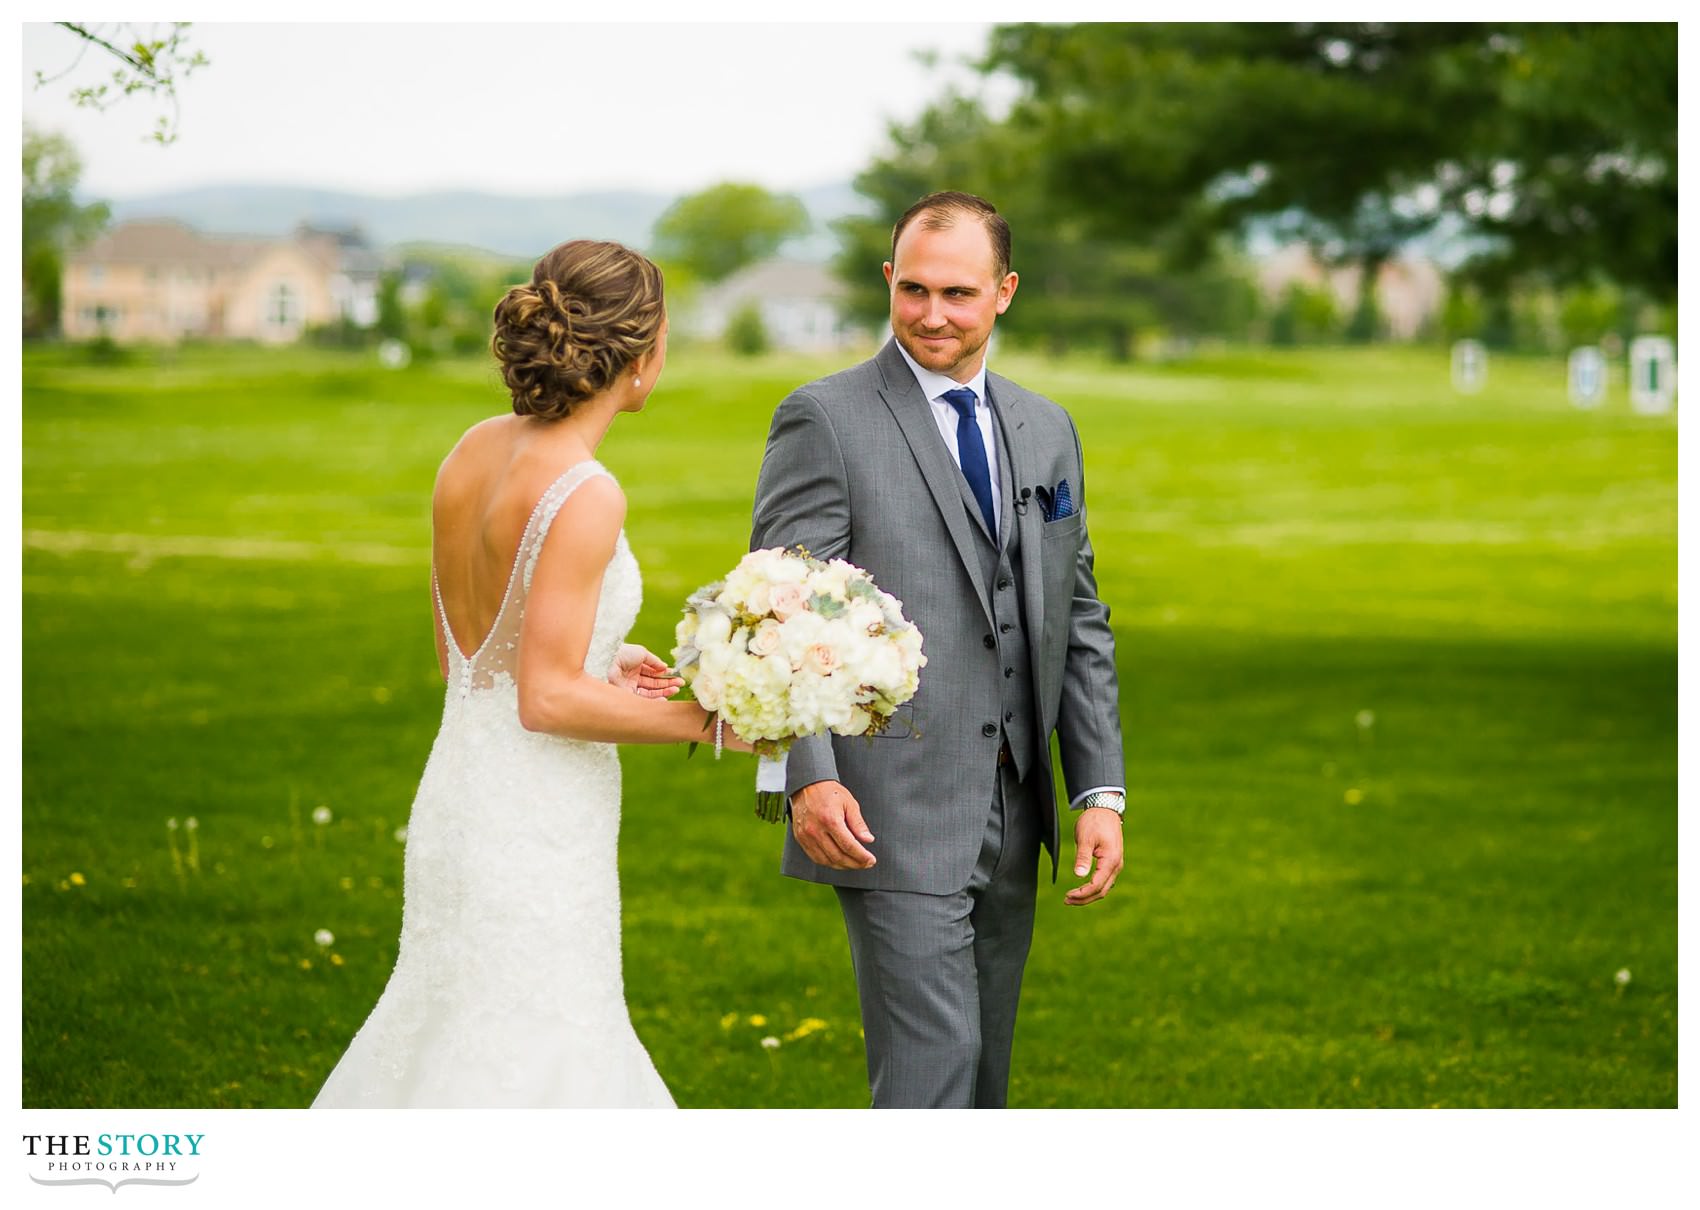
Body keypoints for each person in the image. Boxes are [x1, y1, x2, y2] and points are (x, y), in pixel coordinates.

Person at [313, 239, 749, 1108]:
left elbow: (468, 658)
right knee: (541, 1038)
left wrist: (604, 656)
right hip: (537, 813)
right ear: (641, 356)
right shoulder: (586, 491)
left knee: (452, 1021)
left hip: (461, 793)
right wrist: (715, 721)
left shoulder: (471, 450)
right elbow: (544, 698)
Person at [750, 191, 1126, 1108]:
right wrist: (807, 776)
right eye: (911, 289)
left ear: (1004, 292)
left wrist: (1098, 788)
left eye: (957, 293)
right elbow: (779, 613)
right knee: (930, 1081)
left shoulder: (1045, 428)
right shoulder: (825, 418)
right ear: (889, 280)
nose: (930, 314)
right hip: (887, 807)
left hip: (1017, 809)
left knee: (984, 1085)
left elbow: (1074, 617)